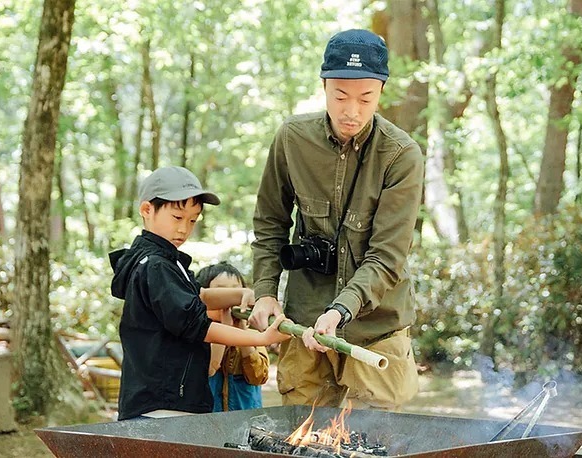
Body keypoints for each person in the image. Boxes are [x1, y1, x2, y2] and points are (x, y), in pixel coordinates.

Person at [249, 29, 424, 412]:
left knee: (371, 444)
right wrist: (264, 291)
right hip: (306, 325)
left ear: (381, 92)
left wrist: (341, 309)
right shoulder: (292, 139)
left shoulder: (402, 156)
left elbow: (386, 257)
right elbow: (269, 223)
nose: (352, 111)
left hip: (376, 330)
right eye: (340, 95)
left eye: (366, 98)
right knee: (299, 439)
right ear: (324, 85)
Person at [109, 166, 290, 421]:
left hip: (160, 401)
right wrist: (261, 339)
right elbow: (196, 324)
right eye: (177, 217)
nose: (184, 229)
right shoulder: (156, 266)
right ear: (147, 210)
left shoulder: (164, 262)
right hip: (163, 406)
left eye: (192, 220)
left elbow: (199, 296)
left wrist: (241, 294)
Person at [196, 262, 269, 412]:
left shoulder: (254, 335)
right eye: (223, 293)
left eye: (236, 292)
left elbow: (258, 376)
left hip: (246, 418)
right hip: (208, 419)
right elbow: (208, 369)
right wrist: (224, 328)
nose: (230, 301)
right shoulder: (196, 334)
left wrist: (242, 333)